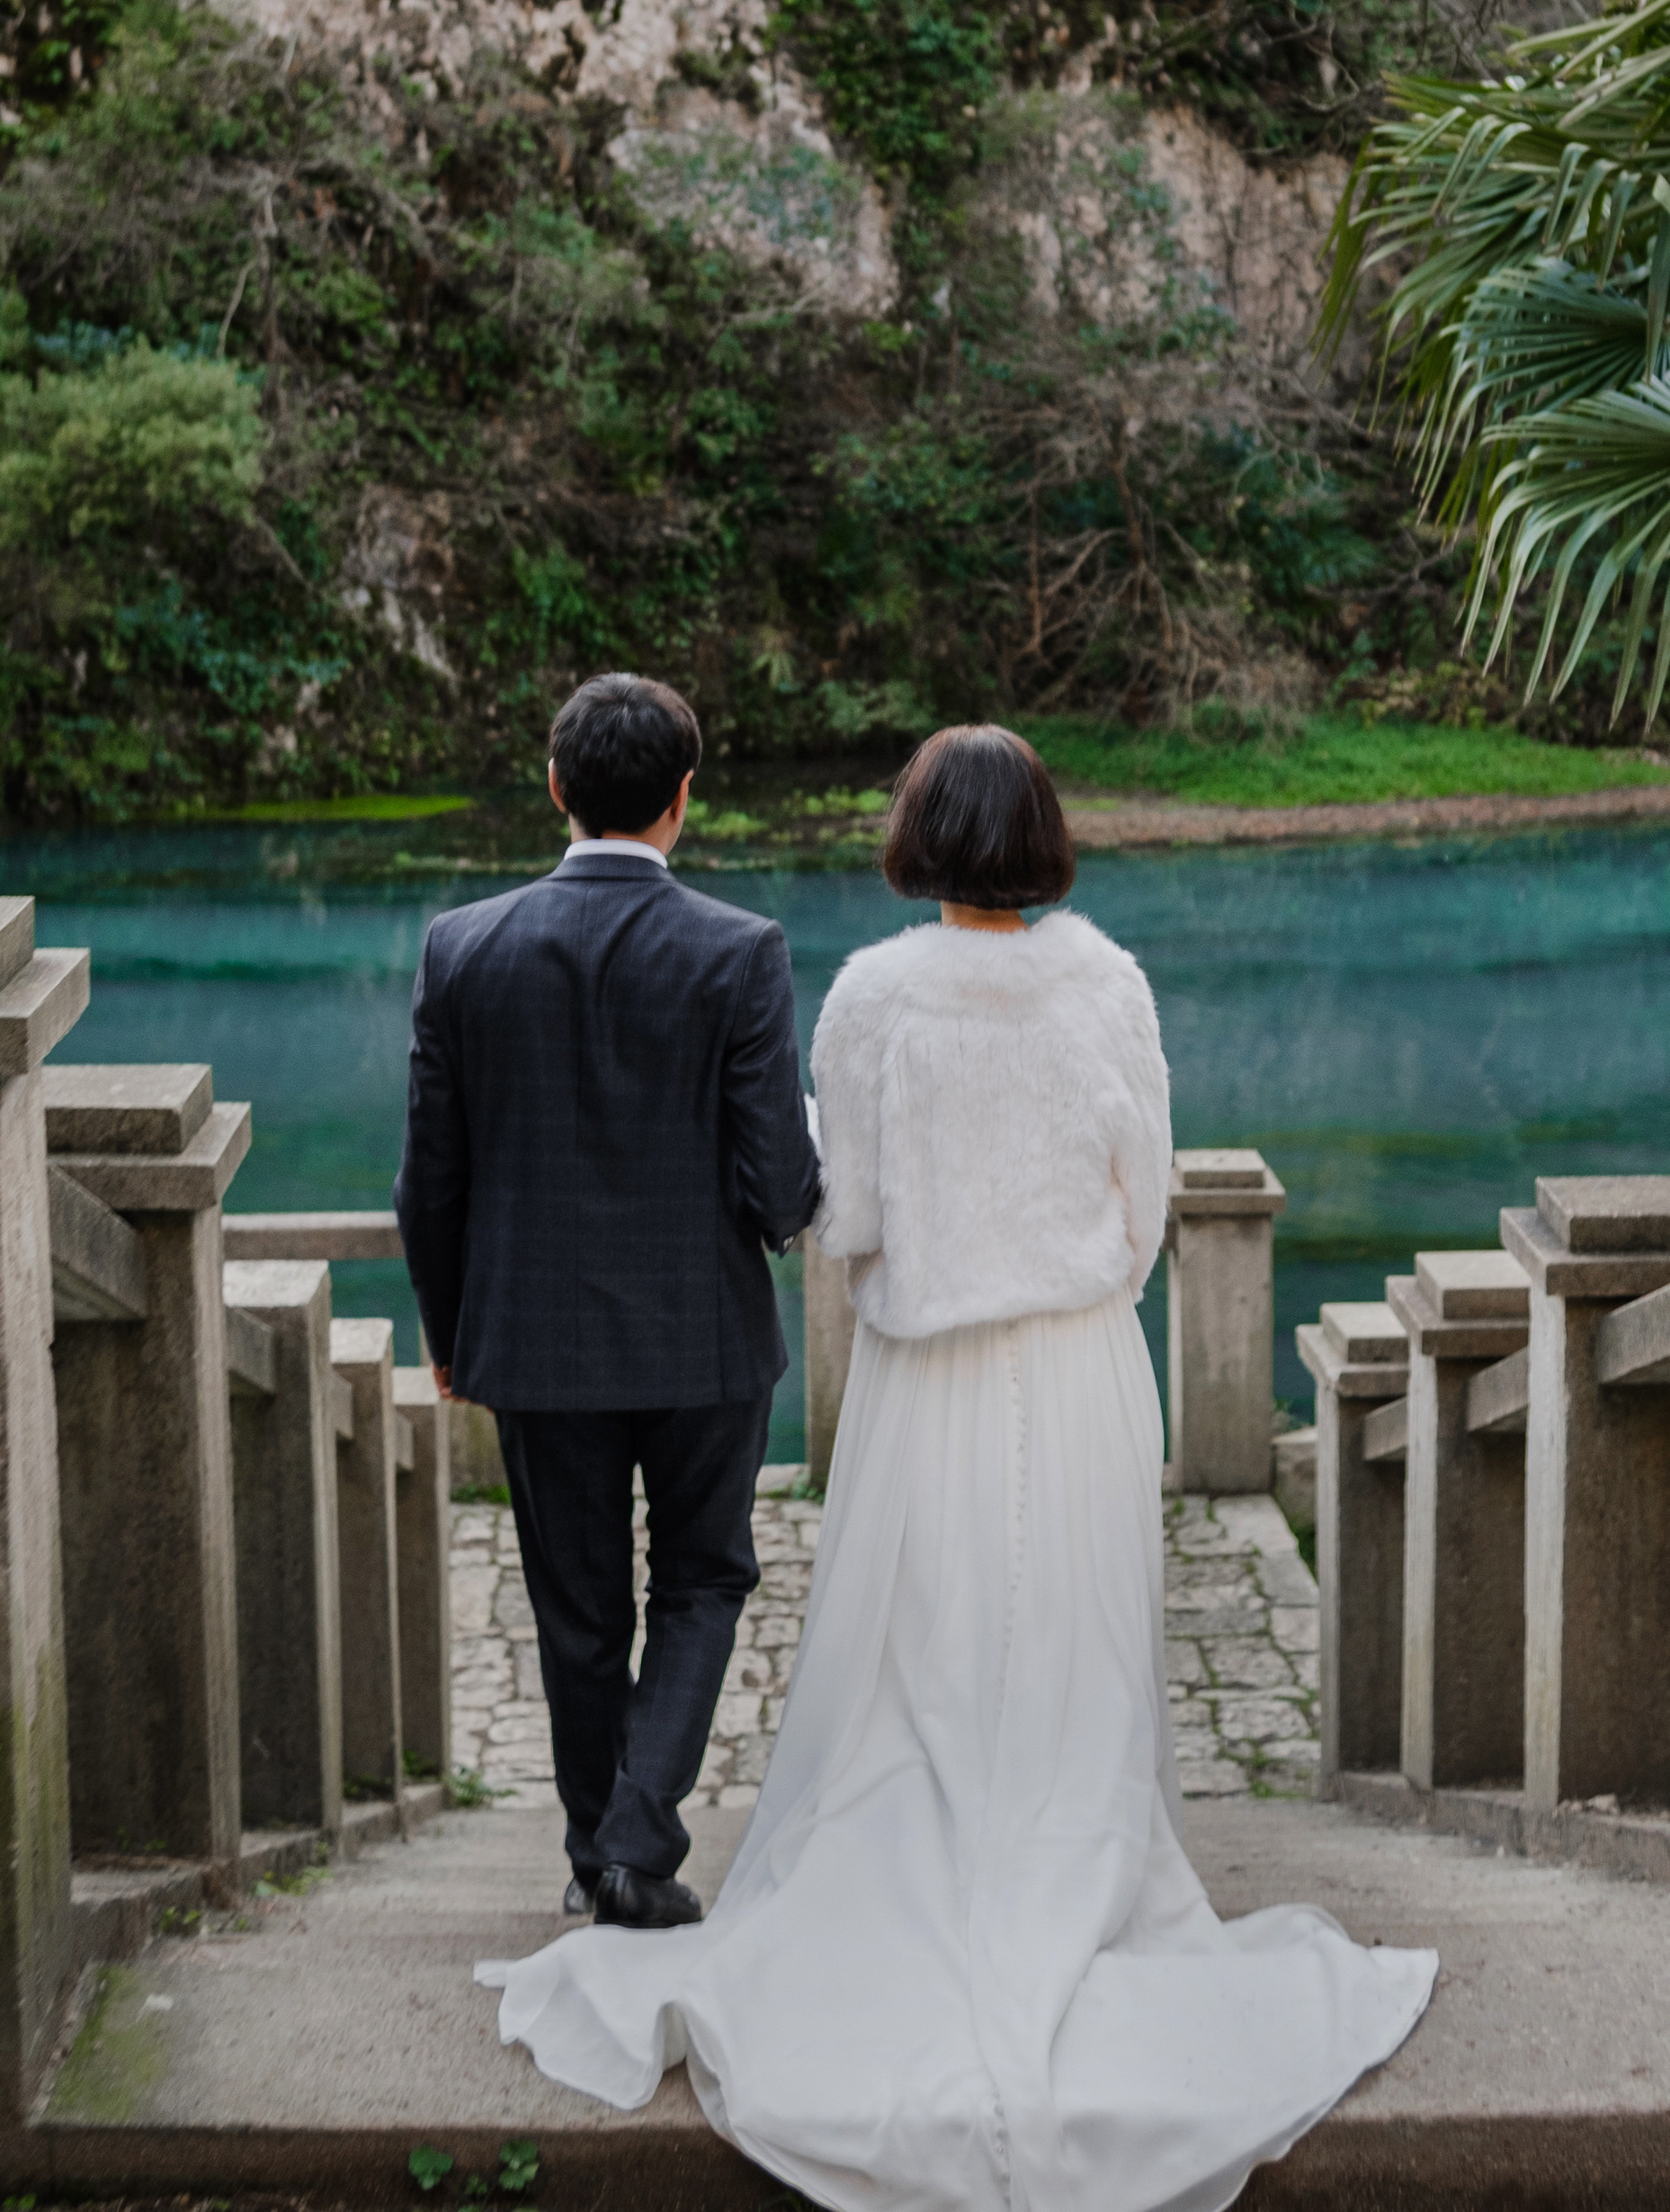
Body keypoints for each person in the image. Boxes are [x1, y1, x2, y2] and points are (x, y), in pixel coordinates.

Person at [478, 722, 1435, 2209]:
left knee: (916, 1652)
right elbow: (1149, 1202)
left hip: (923, 1378)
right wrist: (1079, 1281)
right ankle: (1074, 1877)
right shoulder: (1108, 983)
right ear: (1044, 836)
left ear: (918, 836)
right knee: (1071, 1644)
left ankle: (899, 1889)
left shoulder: (870, 996)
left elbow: (838, 1216)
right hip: (1076, 1365)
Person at [396, 669, 821, 1928]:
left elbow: (431, 1186)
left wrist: (450, 1334)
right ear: (684, 800)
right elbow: (779, 1187)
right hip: (705, 1343)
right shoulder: (742, 953)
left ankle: (599, 1857)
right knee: (702, 1582)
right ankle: (637, 1845)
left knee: (576, 1611)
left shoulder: (460, 948)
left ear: (555, 785)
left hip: (530, 1342)